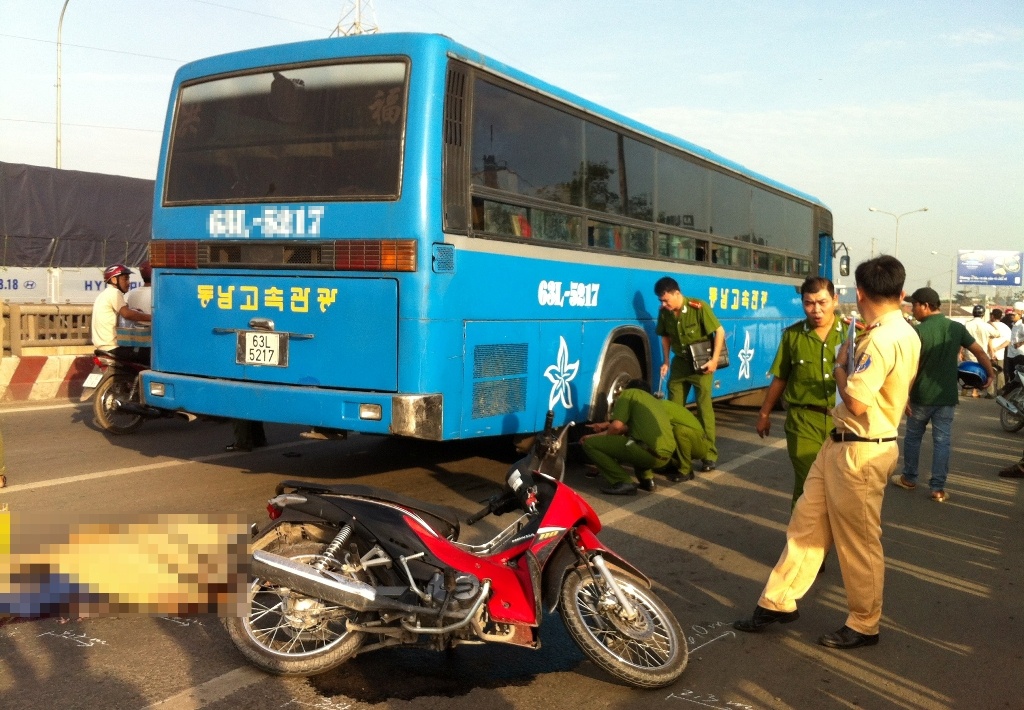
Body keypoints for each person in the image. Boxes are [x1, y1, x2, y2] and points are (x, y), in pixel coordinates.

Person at [733, 255, 920, 650]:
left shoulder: (881, 338)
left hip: (861, 449)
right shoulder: (903, 331)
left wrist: (840, 367)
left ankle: (865, 623)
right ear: (901, 293)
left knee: (858, 542)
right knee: (805, 522)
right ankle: (779, 599)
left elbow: (856, 401)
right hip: (839, 445)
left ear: (859, 293)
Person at [891, 288, 993, 503]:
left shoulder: (916, 331)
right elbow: (979, 352)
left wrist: (905, 395)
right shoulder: (956, 328)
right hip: (946, 397)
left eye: (915, 305)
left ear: (925, 306)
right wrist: (990, 374)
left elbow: (909, 366)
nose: (912, 309)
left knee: (913, 438)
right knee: (942, 442)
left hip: (919, 396)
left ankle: (909, 478)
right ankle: (937, 489)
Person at [756, 276, 845, 507]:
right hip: (804, 421)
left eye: (822, 302)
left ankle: (823, 539)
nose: (816, 310)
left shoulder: (851, 335)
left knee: (840, 488)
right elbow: (780, 378)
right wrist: (764, 414)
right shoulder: (792, 336)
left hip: (843, 421)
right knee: (809, 485)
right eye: (809, 303)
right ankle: (802, 541)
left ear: (834, 300)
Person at [655, 276, 725, 472]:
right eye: (661, 301)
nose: (664, 304)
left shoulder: (698, 307)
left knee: (704, 408)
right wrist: (666, 361)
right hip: (680, 364)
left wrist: (714, 360)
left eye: (666, 300)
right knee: (673, 409)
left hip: (702, 364)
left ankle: (709, 454)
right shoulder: (665, 313)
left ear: (677, 294)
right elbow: (665, 337)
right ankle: (677, 454)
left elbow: (719, 331)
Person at [581, 380, 676, 495]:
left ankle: (624, 482)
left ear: (628, 388)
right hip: (665, 458)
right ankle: (647, 480)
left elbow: (616, 427)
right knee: (635, 441)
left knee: (591, 444)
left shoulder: (628, 394)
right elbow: (625, 428)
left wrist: (594, 439)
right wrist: (599, 431)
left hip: (647, 454)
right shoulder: (655, 402)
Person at [91, 264, 152, 362]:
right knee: (149, 355)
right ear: (114, 280)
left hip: (102, 347)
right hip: (112, 347)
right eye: (125, 279)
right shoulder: (114, 293)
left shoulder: (104, 294)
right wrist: (152, 317)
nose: (128, 283)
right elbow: (127, 314)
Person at [660, 398, 711, 482]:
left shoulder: (660, 408)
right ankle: (676, 465)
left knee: (679, 431)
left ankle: (685, 470)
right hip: (697, 442)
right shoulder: (658, 404)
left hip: (700, 446)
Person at [962, 305, 997, 397]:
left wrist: (960, 352)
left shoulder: (967, 324)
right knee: (982, 371)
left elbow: (961, 339)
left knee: (969, 371)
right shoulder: (986, 325)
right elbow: (996, 334)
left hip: (969, 351)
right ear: (983, 314)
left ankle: (965, 390)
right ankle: (978, 391)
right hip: (982, 352)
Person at [989, 308, 1011, 391]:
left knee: (989, 372)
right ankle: (1001, 390)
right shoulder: (1006, 327)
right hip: (1000, 354)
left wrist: (992, 350)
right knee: (1000, 372)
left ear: (992, 316)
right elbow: (1007, 341)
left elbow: (988, 340)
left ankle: (990, 392)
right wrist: (997, 349)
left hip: (989, 353)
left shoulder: (988, 325)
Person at [1006, 304, 1024, 381]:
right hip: (1011, 354)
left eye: (1014, 314)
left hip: (1019, 354)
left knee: (1018, 376)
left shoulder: (1021, 325)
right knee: (1011, 374)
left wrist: (1020, 343)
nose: (1011, 316)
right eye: (1011, 314)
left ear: (1020, 314)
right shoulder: (1013, 325)